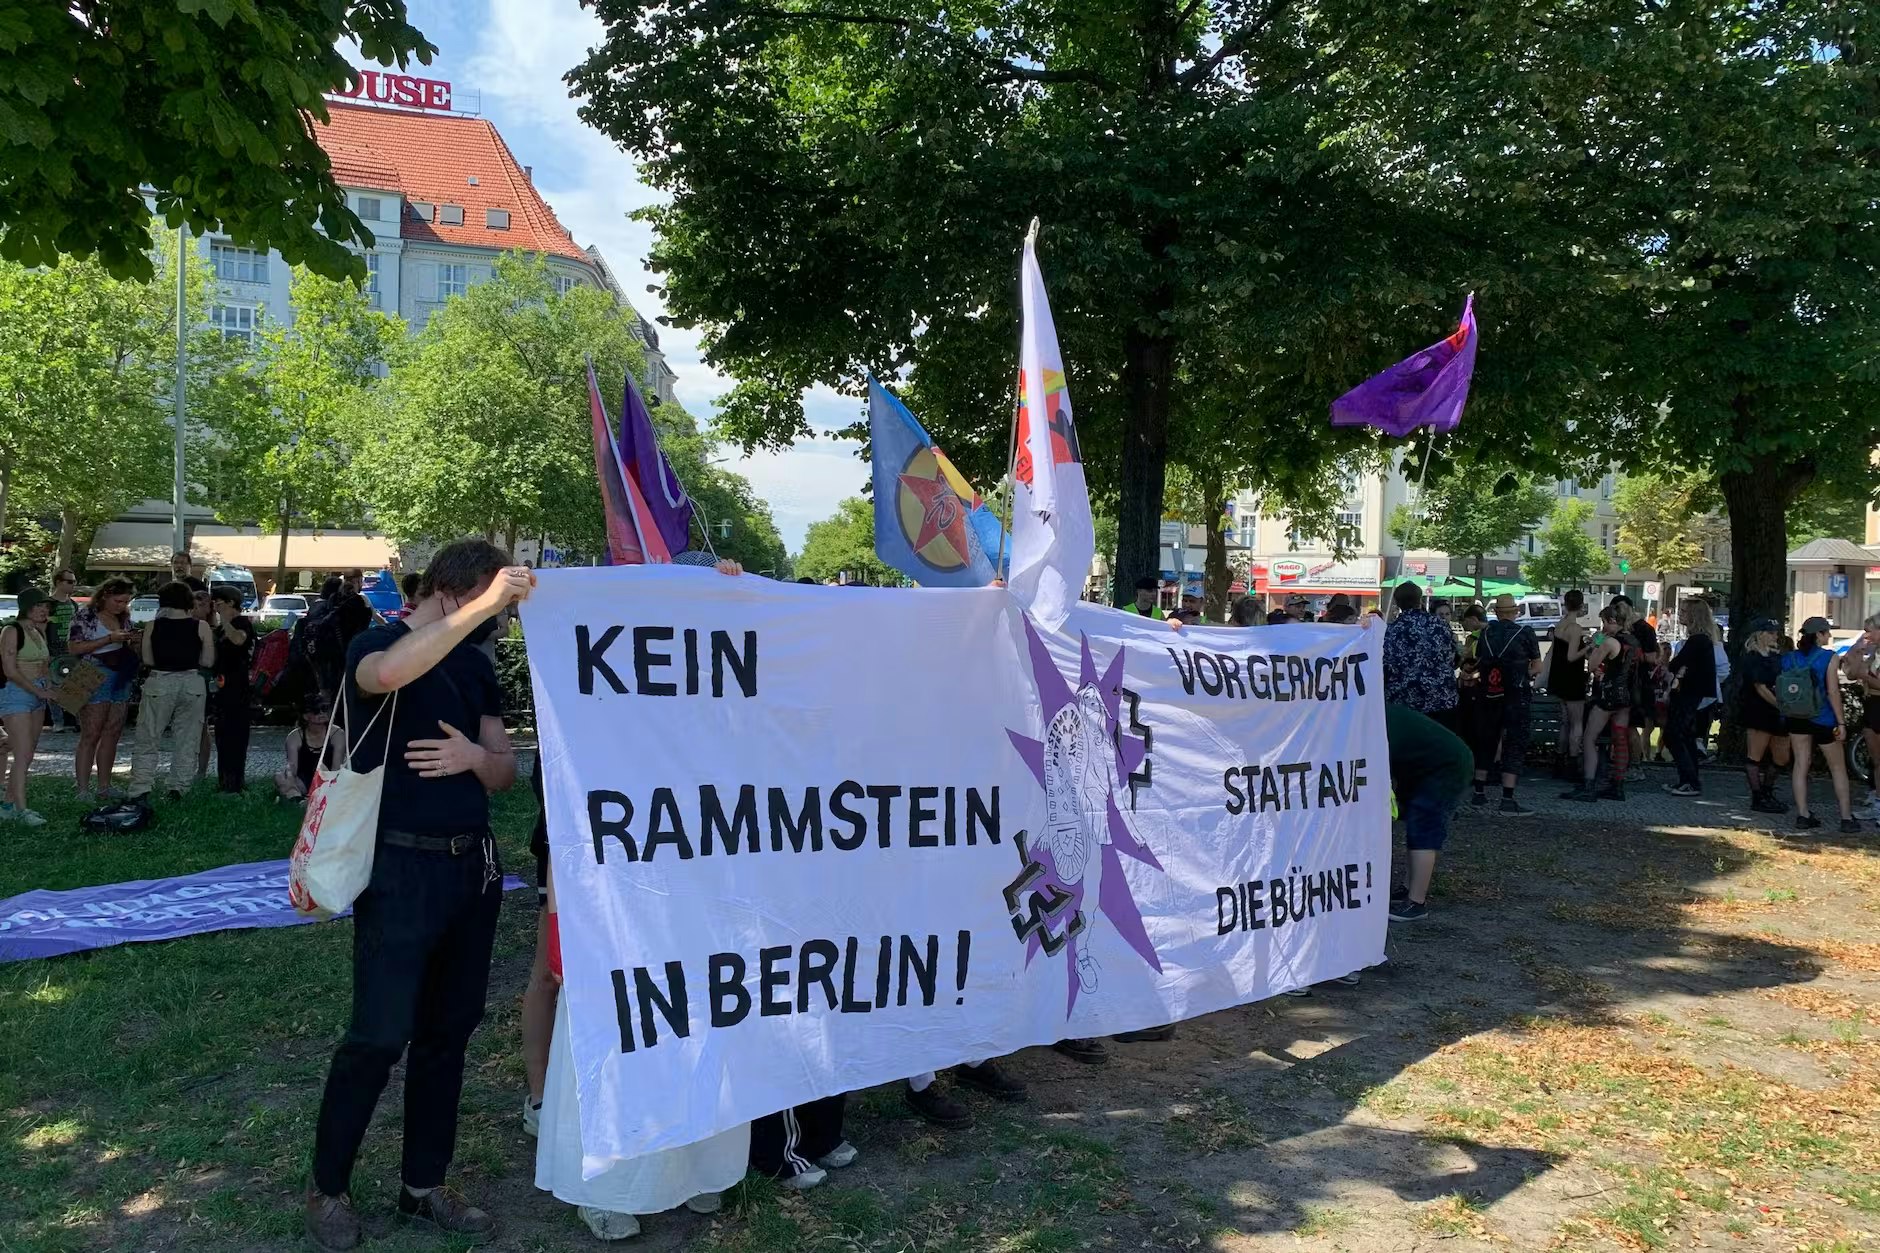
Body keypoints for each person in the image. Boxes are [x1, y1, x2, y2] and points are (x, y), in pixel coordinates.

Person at [305, 542, 531, 1250]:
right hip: (399, 869)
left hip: (472, 872)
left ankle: (423, 1184)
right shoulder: (378, 640)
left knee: (448, 1035)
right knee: (377, 1034)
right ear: (456, 588)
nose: (502, 620)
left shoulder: (474, 665)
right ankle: (329, 1186)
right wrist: (489, 604)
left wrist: (476, 758)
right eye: (495, 601)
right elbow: (386, 674)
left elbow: (506, 771)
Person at [1384, 703, 1474, 923]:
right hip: (1426, 766)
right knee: (1415, 826)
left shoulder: (1373, 725)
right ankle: (1408, 888)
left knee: (1423, 828)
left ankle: (1416, 902)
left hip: (1446, 767)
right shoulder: (1374, 715)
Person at [128, 581, 214, 804]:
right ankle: (178, 787)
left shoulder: (152, 626)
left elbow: (147, 659)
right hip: (192, 682)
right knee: (188, 739)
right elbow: (208, 660)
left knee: (148, 737)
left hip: (160, 680)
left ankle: (141, 787)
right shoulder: (201, 626)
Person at [1467, 594, 1543, 814]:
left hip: (1489, 694)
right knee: (1514, 743)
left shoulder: (1486, 634)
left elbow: (1478, 663)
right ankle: (1507, 798)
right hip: (1515, 696)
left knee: (1486, 741)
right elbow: (1537, 668)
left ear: (1498, 613)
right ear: (1515, 612)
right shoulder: (1525, 634)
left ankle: (1479, 794)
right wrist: (1522, 673)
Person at [1781, 617, 1858, 833]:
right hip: (1822, 718)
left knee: (1800, 765)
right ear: (1819, 635)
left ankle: (1803, 815)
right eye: (1827, 632)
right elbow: (1833, 692)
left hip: (1796, 717)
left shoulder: (1789, 658)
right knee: (1837, 767)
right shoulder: (1829, 658)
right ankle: (1846, 817)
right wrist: (1841, 722)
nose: (1830, 636)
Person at [68, 578, 139, 802]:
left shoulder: (123, 617)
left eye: (126, 602)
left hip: (120, 674)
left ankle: (104, 786)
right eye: (118, 601)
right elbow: (74, 647)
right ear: (105, 595)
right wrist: (109, 638)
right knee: (91, 732)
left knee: (113, 731)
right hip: (92, 673)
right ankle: (82, 789)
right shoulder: (86, 615)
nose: (122, 605)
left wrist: (133, 640)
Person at [1561, 604, 1640, 802]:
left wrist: (1595, 644)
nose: (1603, 626)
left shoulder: (1610, 642)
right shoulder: (1634, 641)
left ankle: (1588, 785)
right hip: (1626, 696)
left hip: (1608, 695)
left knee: (1589, 738)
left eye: (1604, 622)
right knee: (1620, 739)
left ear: (1613, 621)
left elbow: (1593, 663)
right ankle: (1618, 785)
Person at [0, 589, 55, 825]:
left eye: (46, 606)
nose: (44, 610)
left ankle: (9, 803)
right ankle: (22, 811)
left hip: (37, 694)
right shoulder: (12, 630)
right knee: (21, 753)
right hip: (17, 694)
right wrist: (38, 690)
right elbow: (10, 670)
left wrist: (51, 689)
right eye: (39, 606)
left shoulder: (38, 631)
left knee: (28, 752)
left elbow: (45, 666)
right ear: (27, 607)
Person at [1382, 580, 1459, 729]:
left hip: (1403, 702)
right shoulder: (1440, 625)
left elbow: (1385, 666)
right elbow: (1453, 658)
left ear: (1398, 603)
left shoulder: (1390, 631)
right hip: (1441, 698)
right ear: (1420, 600)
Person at [1662, 599, 1719, 796]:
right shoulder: (1700, 640)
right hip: (1691, 692)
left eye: (1685, 611)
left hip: (1690, 693)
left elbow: (1676, 663)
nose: (1681, 615)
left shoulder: (1698, 641)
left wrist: (1669, 665)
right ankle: (1688, 779)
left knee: (1674, 734)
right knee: (1684, 736)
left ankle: (1690, 780)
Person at [1735, 619, 1792, 814]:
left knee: (1782, 757)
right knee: (1755, 756)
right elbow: (1760, 687)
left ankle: (1767, 791)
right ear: (1760, 634)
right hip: (1759, 711)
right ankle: (1758, 797)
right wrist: (1780, 705)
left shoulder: (1777, 657)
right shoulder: (1752, 657)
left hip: (1778, 713)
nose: (1775, 635)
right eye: (1771, 632)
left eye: (1776, 632)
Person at [209, 586, 254, 794]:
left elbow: (238, 640)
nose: (216, 606)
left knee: (236, 734)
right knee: (222, 735)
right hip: (222, 686)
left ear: (231, 602)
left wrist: (225, 620)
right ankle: (224, 780)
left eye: (220, 602)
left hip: (239, 685)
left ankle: (236, 781)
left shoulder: (242, 623)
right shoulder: (219, 629)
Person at [1546, 590, 1590, 775]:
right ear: (1581, 606)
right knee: (1576, 724)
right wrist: (1589, 646)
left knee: (1565, 723)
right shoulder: (1575, 628)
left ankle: (1559, 758)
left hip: (1558, 678)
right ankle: (1572, 763)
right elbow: (1572, 656)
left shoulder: (1560, 624)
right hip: (1573, 679)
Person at [1614, 595, 1661, 765]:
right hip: (1618, 683)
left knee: (1630, 725)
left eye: (1619, 609)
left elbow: (1652, 657)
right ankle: (1622, 762)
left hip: (1635, 683)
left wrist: (1631, 655)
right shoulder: (1615, 629)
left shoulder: (1644, 629)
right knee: (1620, 726)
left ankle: (1635, 763)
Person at [1844, 614, 1880, 823]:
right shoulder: (1871, 651)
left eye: (1870, 631)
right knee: (1876, 760)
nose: (1867, 635)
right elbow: (1849, 673)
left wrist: (1863, 675)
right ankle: (1876, 801)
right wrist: (1856, 651)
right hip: (1871, 705)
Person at [275, 694, 343, 801]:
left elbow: (336, 768)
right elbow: (292, 767)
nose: (321, 714)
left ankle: (306, 799)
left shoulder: (337, 734)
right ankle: (296, 799)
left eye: (324, 709)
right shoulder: (295, 736)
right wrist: (289, 779)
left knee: (332, 773)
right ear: (306, 716)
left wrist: (326, 784)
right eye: (316, 711)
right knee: (280, 776)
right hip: (303, 780)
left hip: (328, 778)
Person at [43, 568, 79, 732]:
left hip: (70, 650)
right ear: (58, 582)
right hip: (54, 650)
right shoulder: (49, 604)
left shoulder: (73, 604)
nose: (73, 585)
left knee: (75, 686)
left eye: (74, 582)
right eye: (69, 581)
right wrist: (46, 651)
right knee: (54, 686)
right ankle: (58, 721)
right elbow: (42, 629)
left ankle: (76, 719)